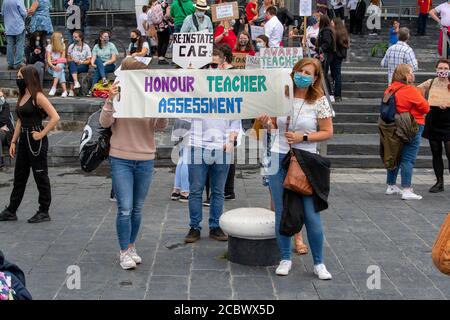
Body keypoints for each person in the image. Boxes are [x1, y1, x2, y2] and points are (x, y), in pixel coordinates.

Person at [256, 58, 334, 278]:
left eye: (308, 73)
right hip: (278, 156)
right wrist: (266, 123)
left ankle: (319, 263)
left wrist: (304, 136)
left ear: (315, 78)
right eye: (300, 71)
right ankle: (284, 258)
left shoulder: (319, 101)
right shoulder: (281, 96)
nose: (303, 75)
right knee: (282, 210)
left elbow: (327, 131)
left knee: (311, 213)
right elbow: (272, 127)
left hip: (306, 160)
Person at [99, 58, 168, 270]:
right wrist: (110, 100)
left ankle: (131, 246)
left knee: (137, 208)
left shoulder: (150, 96)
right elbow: (104, 122)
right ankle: (123, 251)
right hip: (121, 158)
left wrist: (163, 108)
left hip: (145, 157)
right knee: (125, 208)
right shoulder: (118, 94)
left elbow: (159, 126)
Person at [184, 57, 241, 243]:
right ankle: (194, 227)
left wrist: (231, 140)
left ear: (223, 65)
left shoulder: (229, 91)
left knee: (218, 190)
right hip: (197, 145)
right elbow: (180, 111)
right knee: (195, 189)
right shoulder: (193, 90)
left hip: (222, 147)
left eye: (214, 65)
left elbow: (235, 120)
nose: (211, 68)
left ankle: (215, 226)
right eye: (206, 66)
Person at [0, 66, 60, 223]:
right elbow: (20, 119)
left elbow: (55, 117)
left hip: (35, 140)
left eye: (20, 76)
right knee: (19, 176)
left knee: (40, 175)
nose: (18, 79)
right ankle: (11, 210)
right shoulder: (23, 95)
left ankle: (44, 211)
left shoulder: (38, 96)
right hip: (24, 140)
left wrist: (41, 133)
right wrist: (13, 140)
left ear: (28, 78)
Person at [384, 64, 430, 200]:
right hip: (412, 125)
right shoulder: (410, 90)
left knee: (396, 156)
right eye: (410, 72)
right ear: (405, 75)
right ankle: (407, 189)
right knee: (408, 158)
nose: (413, 74)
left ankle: (391, 185)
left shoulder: (390, 88)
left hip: (394, 125)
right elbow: (425, 107)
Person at [418, 59, 450, 193]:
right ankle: (439, 182)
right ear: (436, 69)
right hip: (433, 119)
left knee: (449, 152)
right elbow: (416, 91)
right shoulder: (430, 82)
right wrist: (424, 104)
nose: (443, 71)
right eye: (440, 68)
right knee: (436, 152)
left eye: (445, 68)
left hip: (449, 120)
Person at [89, 31, 118, 95]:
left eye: (108, 37)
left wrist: (106, 63)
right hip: (99, 64)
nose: (107, 38)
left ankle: (92, 89)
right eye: (105, 36)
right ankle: (104, 79)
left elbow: (114, 59)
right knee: (98, 60)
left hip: (110, 65)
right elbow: (93, 58)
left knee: (98, 71)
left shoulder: (111, 45)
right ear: (101, 38)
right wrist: (92, 64)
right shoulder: (96, 46)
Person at [1, 0, 27, 71]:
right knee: (20, 45)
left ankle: (10, 64)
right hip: (18, 26)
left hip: (9, 27)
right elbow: (24, 13)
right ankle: (18, 63)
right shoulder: (19, 0)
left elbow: (2, 13)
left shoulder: (4, 1)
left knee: (10, 45)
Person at [67, 30, 91, 97]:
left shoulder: (86, 47)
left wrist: (81, 62)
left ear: (80, 38)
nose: (74, 38)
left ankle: (71, 89)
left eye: (75, 37)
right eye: (73, 37)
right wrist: (73, 60)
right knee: (71, 64)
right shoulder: (71, 46)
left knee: (72, 70)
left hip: (83, 65)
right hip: (73, 64)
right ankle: (76, 82)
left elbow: (89, 61)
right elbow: (68, 59)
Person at [331, 18, 349, 102]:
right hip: (340, 56)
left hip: (335, 55)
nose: (331, 24)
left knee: (336, 75)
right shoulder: (343, 32)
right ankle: (338, 95)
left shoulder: (335, 33)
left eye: (332, 23)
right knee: (337, 74)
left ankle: (336, 94)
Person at [318, 14, 336, 97]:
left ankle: (328, 93)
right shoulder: (327, 30)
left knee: (324, 74)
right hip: (327, 53)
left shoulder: (326, 31)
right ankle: (328, 93)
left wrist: (321, 48)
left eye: (319, 20)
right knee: (324, 74)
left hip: (326, 54)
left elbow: (327, 43)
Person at [46, 32, 68, 98]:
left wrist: (55, 62)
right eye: (61, 38)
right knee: (61, 71)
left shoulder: (63, 45)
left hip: (59, 65)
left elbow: (62, 59)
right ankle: (65, 91)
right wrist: (53, 66)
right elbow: (49, 61)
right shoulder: (49, 47)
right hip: (51, 67)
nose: (62, 39)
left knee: (60, 65)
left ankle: (54, 87)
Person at [150, 0, 172, 65]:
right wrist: (170, 19)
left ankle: (159, 58)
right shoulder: (165, 4)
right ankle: (162, 58)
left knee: (160, 42)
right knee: (165, 42)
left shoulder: (155, 4)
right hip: (164, 26)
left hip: (157, 26)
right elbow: (168, 15)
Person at [0, 91, 13, 169]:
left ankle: (0, 160)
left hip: (6, 133)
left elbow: (3, 120)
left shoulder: (5, 106)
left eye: (1, 96)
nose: (1, 98)